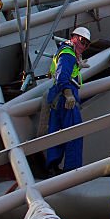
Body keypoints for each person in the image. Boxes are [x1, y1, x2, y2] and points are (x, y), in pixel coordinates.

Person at [45, 27, 90, 174]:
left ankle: (52, 167)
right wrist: (69, 93)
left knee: (56, 133)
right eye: (82, 41)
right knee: (74, 134)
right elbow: (62, 76)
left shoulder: (65, 52)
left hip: (57, 98)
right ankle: (73, 170)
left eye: (86, 44)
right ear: (74, 38)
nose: (83, 46)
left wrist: (78, 64)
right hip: (66, 99)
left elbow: (58, 72)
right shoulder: (68, 55)